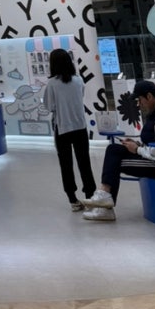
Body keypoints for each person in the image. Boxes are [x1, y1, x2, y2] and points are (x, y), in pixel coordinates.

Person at [82, 80, 155, 222]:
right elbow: (154, 141)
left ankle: (105, 201)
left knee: (115, 161)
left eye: (140, 99)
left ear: (149, 96)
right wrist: (137, 144)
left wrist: (137, 149)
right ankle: (105, 197)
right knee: (113, 149)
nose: (139, 104)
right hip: (153, 157)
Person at [42, 48, 96, 211]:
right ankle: (90, 196)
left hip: (62, 128)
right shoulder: (78, 80)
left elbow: (49, 106)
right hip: (80, 127)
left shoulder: (52, 84)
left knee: (66, 165)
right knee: (84, 162)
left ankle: (73, 199)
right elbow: (81, 96)